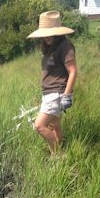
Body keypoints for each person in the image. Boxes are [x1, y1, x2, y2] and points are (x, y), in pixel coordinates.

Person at [27, 11, 77, 155]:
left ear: (57, 32)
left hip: (58, 92)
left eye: (50, 33)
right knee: (54, 125)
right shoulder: (50, 48)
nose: (47, 36)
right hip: (50, 92)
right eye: (45, 33)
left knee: (39, 126)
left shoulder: (65, 46)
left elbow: (73, 71)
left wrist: (67, 95)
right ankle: (59, 150)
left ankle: (57, 155)